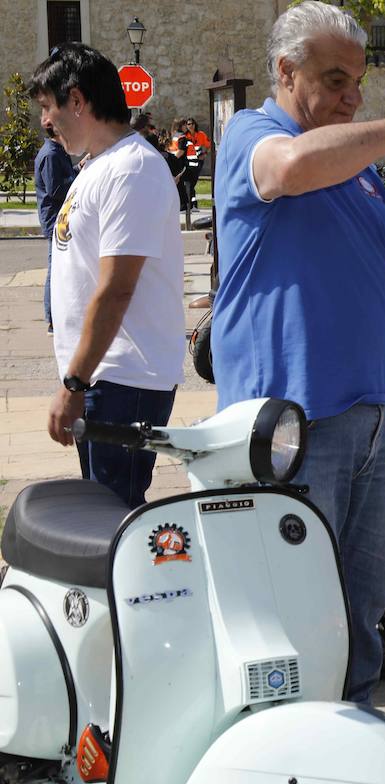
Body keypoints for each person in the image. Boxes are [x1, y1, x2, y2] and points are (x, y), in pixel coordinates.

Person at [214, 0, 385, 704]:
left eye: (357, 82)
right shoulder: (253, 134)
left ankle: (348, 739)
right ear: (285, 71)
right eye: (335, 81)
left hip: (364, 418)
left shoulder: (356, 173)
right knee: (295, 611)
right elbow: (285, 172)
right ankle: (290, 767)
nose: (352, 98)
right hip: (291, 425)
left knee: (360, 605)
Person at [28, 44, 183, 507]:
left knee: (114, 522)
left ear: (77, 100)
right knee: (102, 520)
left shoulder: (131, 169)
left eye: (48, 106)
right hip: (105, 378)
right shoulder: (100, 165)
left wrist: (73, 384)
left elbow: (116, 289)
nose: (45, 121)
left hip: (121, 380)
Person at [33, 126, 77, 333]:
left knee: (60, 268)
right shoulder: (51, 154)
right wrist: (79, 177)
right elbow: (56, 189)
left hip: (61, 217)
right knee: (55, 269)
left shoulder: (58, 152)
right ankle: (52, 318)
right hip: (55, 219)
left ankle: (57, 316)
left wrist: (78, 170)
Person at [182, 116, 210, 208]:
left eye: (192, 124)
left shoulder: (201, 134)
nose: (191, 126)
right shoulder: (185, 136)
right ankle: (192, 203)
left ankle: (192, 203)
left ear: (195, 125)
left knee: (193, 182)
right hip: (188, 162)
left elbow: (209, 144)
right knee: (190, 183)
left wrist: (205, 153)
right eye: (188, 124)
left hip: (198, 162)